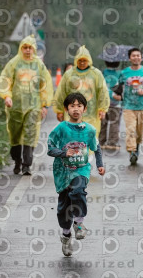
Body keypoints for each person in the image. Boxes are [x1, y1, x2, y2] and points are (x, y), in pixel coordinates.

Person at [47, 92, 105, 257]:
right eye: (72, 106)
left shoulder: (90, 130)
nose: (76, 109)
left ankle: (79, 223)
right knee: (63, 208)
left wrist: (100, 165)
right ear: (66, 109)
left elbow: (97, 148)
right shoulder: (61, 128)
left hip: (81, 169)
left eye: (79, 106)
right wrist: (64, 154)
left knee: (78, 190)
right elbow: (50, 148)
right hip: (63, 171)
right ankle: (66, 235)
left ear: (84, 109)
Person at [0, 34, 54, 175]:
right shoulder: (14, 63)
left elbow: (45, 84)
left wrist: (44, 105)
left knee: (30, 133)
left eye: (30, 48)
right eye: (25, 47)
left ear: (34, 49)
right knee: (15, 135)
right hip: (15, 105)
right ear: (21, 48)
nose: (28, 50)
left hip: (34, 105)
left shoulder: (38, 65)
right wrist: (7, 96)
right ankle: (17, 160)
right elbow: (5, 79)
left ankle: (26, 165)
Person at [53, 45, 110, 137]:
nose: (82, 63)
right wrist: (59, 110)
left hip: (91, 113)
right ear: (76, 60)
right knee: (73, 139)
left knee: (88, 138)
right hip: (72, 113)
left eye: (84, 60)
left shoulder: (96, 74)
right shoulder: (69, 74)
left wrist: (102, 109)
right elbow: (61, 93)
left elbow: (102, 92)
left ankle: (88, 152)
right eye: (80, 60)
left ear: (89, 61)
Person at [118, 48, 143, 165]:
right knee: (130, 129)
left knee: (139, 132)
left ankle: (137, 147)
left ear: (141, 58)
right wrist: (116, 95)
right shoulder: (124, 73)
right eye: (133, 56)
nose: (136, 57)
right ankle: (132, 151)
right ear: (129, 58)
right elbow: (119, 88)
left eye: (138, 55)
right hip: (128, 106)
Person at [99, 60, 122, 150]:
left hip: (103, 102)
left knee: (102, 123)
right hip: (115, 103)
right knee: (114, 123)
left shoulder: (102, 73)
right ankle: (112, 142)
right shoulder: (120, 73)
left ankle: (101, 141)